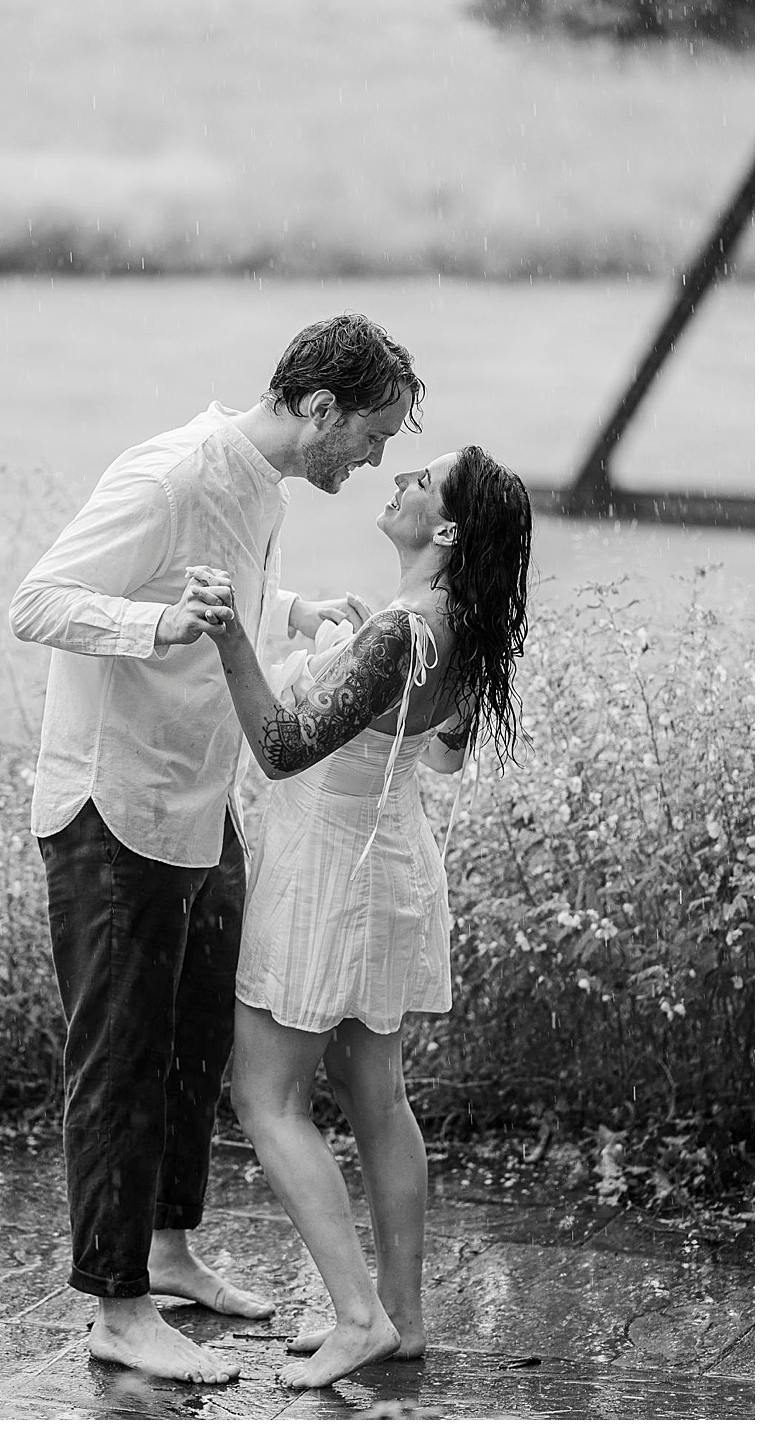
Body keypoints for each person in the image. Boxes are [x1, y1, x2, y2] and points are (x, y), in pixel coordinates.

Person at [7, 314, 423, 1384]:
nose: (373, 459)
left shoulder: (258, 490)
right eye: (368, 436)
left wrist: (280, 610)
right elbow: (37, 601)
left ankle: (166, 1248)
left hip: (198, 805)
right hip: (113, 809)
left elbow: (203, 587)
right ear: (320, 409)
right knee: (121, 1061)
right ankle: (115, 1308)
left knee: (196, 1048)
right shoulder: (171, 474)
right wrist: (158, 632)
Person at [197, 445, 531, 1390]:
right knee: (375, 1091)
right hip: (389, 859)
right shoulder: (459, 624)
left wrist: (233, 639)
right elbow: (444, 756)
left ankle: (356, 1317)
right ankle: (404, 1316)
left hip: (327, 871)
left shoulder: (402, 632)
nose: (401, 483)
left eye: (421, 481)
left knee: (266, 1096)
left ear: (449, 529)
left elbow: (281, 747)